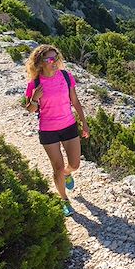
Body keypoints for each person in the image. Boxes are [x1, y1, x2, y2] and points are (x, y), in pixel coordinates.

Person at [24, 44, 90, 216]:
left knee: (74, 164)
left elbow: (75, 101)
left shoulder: (66, 77)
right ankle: (64, 200)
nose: (54, 62)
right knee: (57, 168)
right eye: (50, 59)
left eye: (56, 58)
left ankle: (68, 174)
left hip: (68, 125)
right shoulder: (35, 83)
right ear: (40, 63)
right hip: (48, 130)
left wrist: (84, 122)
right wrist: (35, 99)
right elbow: (30, 109)